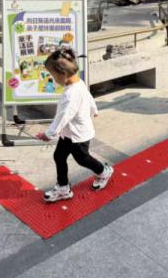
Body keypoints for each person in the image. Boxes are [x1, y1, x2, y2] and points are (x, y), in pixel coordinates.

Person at [37, 48, 114, 203]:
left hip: (78, 134)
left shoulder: (70, 94)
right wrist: (94, 109)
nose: (53, 79)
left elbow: (63, 117)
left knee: (82, 159)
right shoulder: (78, 82)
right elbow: (88, 96)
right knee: (59, 156)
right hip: (68, 133)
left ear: (62, 74)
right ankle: (63, 188)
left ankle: (104, 171)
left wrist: (48, 134)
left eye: (53, 75)